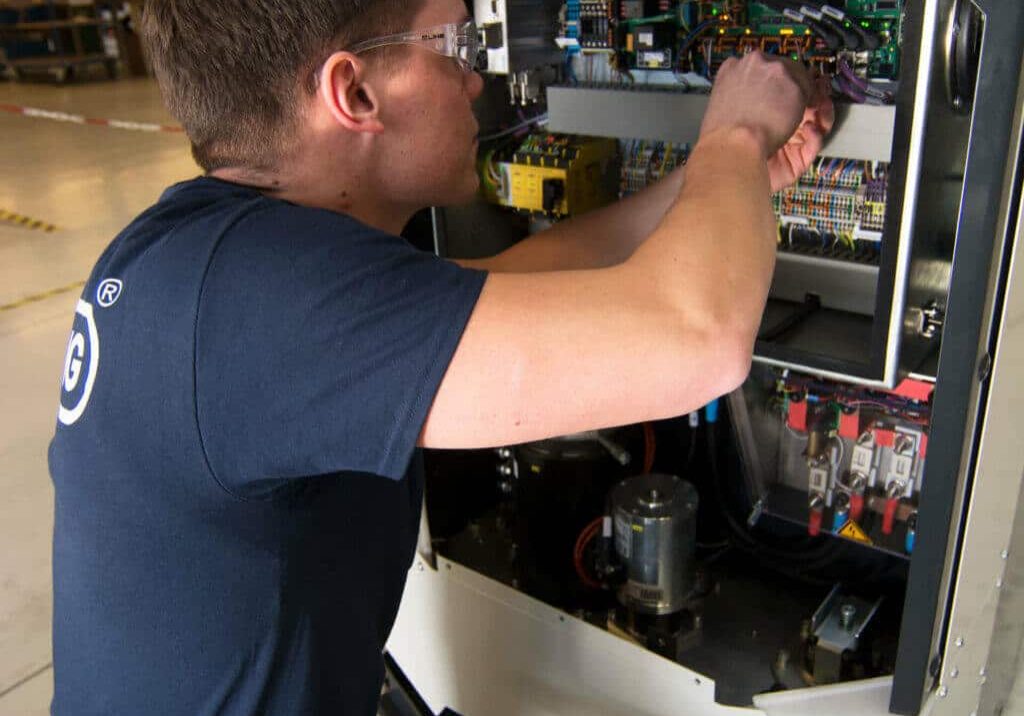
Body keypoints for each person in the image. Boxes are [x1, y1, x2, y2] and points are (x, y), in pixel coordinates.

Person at [47, 0, 833, 713]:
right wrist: (738, 131)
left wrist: (719, 181)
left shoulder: (199, 254)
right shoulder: (267, 302)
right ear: (353, 95)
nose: (474, 79)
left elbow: (495, 289)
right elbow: (698, 342)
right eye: (455, 43)